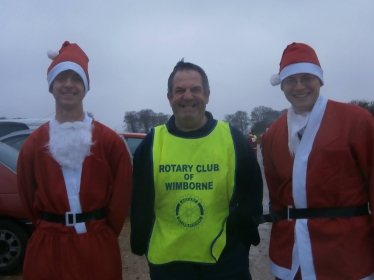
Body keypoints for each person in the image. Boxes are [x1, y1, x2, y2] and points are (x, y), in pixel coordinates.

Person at [130, 60, 263, 280]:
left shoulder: (232, 138)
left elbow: (252, 194)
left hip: (225, 262)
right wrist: (139, 242)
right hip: (168, 264)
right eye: (179, 90)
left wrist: (241, 239)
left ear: (207, 95)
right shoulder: (152, 142)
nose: (188, 96)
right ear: (170, 97)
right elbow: (140, 202)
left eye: (195, 90)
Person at [17, 41, 133, 280]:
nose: (68, 85)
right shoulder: (33, 145)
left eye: (76, 78)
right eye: (61, 78)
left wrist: (99, 233)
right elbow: (28, 197)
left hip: (97, 245)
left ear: (85, 86)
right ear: (51, 85)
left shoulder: (110, 142)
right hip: (48, 248)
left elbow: (120, 200)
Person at [262, 42, 374, 279]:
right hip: (291, 256)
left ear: (320, 81)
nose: (299, 86)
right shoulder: (272, 134)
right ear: (282, 85)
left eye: (307, 78)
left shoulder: (356, 121)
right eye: (291, 80)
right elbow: (277, 197)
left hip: (345, 252)